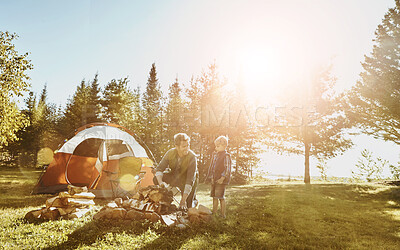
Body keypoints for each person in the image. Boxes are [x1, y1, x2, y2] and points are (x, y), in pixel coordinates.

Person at [154, 133, 198, 209]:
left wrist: (183, 200)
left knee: (188, 207)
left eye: (188, 145)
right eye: (184, 146)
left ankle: (193, 200)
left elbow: (190, 180)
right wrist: (161, 183)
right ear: (176, 146)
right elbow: (160, 168)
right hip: (175, 176)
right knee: (155, 179)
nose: (187, 148)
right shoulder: (170, 153)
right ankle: (165, 201)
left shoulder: (192, 157)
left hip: (188, 180)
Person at [205, 136, 232, 218]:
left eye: (218, 146)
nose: (216, 148)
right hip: (215, 179)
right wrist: (212, 177)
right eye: (215, 146)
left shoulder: (226, 156)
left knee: (220, 197)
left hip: (221, 180)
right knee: (214, 197)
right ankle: (214, 213)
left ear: (224, 146)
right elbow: (212, 167)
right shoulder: (215, 155)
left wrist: (222, 178)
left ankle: (223, 214)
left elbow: (227, 168)